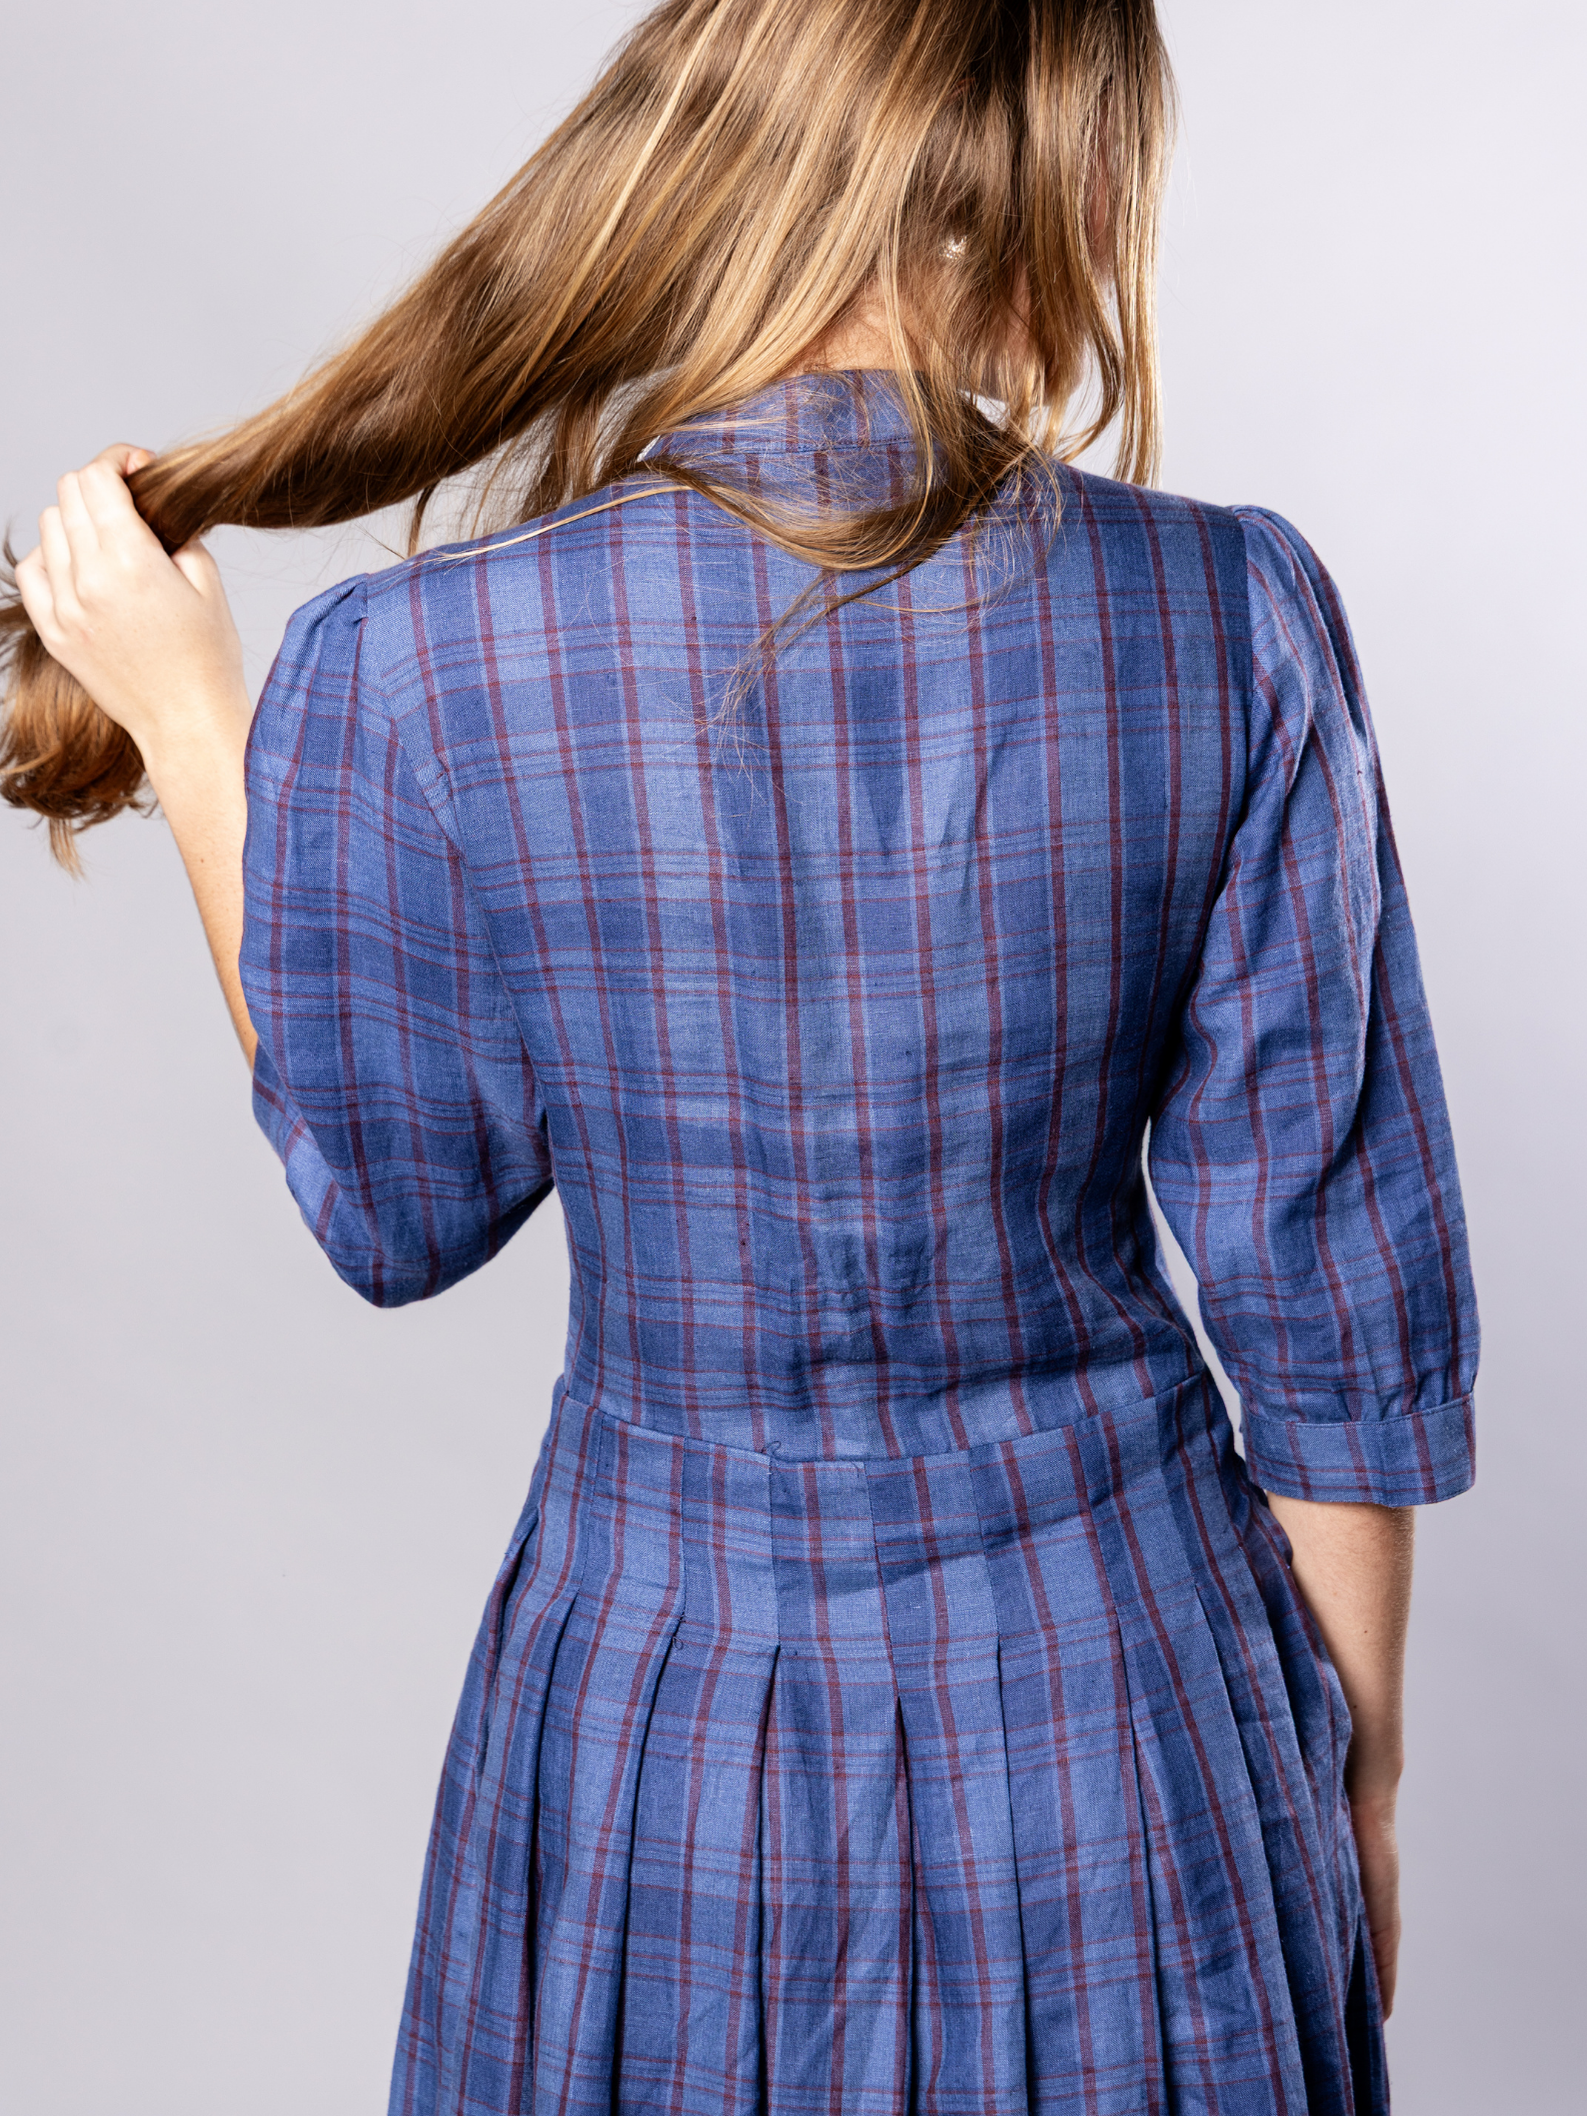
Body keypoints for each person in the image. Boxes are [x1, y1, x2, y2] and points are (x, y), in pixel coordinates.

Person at [2, 0, 1478, 2109]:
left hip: (655, 1714)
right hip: (1136, 1709)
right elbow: (1331, 1298)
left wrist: (188, 721)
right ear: (1045, 183)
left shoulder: (423, 665)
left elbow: (393, 1201)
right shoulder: (1226, 613)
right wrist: (1354, 1772)